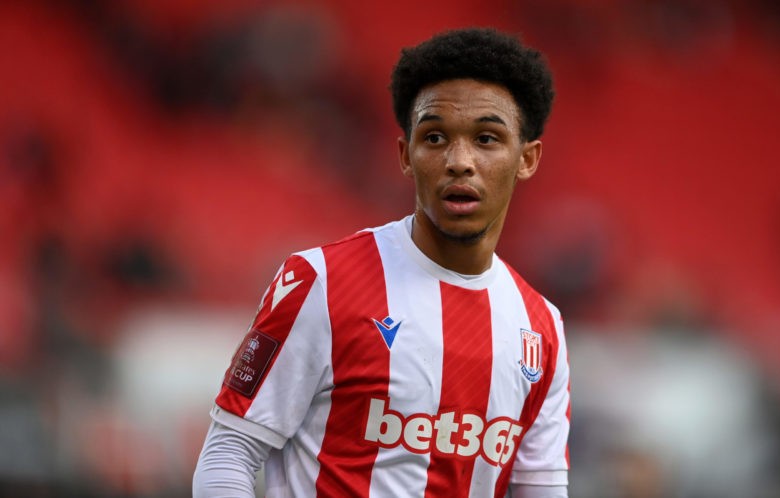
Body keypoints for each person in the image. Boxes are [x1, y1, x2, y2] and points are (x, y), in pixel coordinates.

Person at [193, 27, 570, 498]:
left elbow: (540, 489)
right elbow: (229, 453)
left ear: (527, 158)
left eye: (487, 139)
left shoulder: (541, 329)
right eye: (434, 137)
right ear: (405, 155)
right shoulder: (322, 282)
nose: (459, 161)